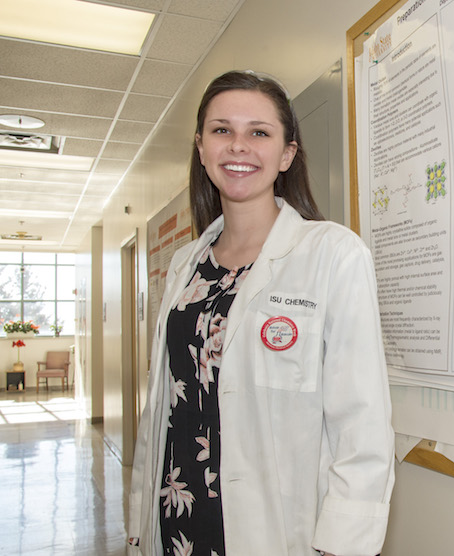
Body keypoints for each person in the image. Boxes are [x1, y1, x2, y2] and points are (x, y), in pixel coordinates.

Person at [128, 70, 395, 556]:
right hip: (177, 514)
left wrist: (343, 546)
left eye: (259, 132)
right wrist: (140, 517)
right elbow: (164, 405)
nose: (238, 146)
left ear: (287, 153)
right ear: (201, 146)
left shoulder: (333, 253)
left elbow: (362, 423)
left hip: (271, 529)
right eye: (221, 130)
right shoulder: (186, 264)